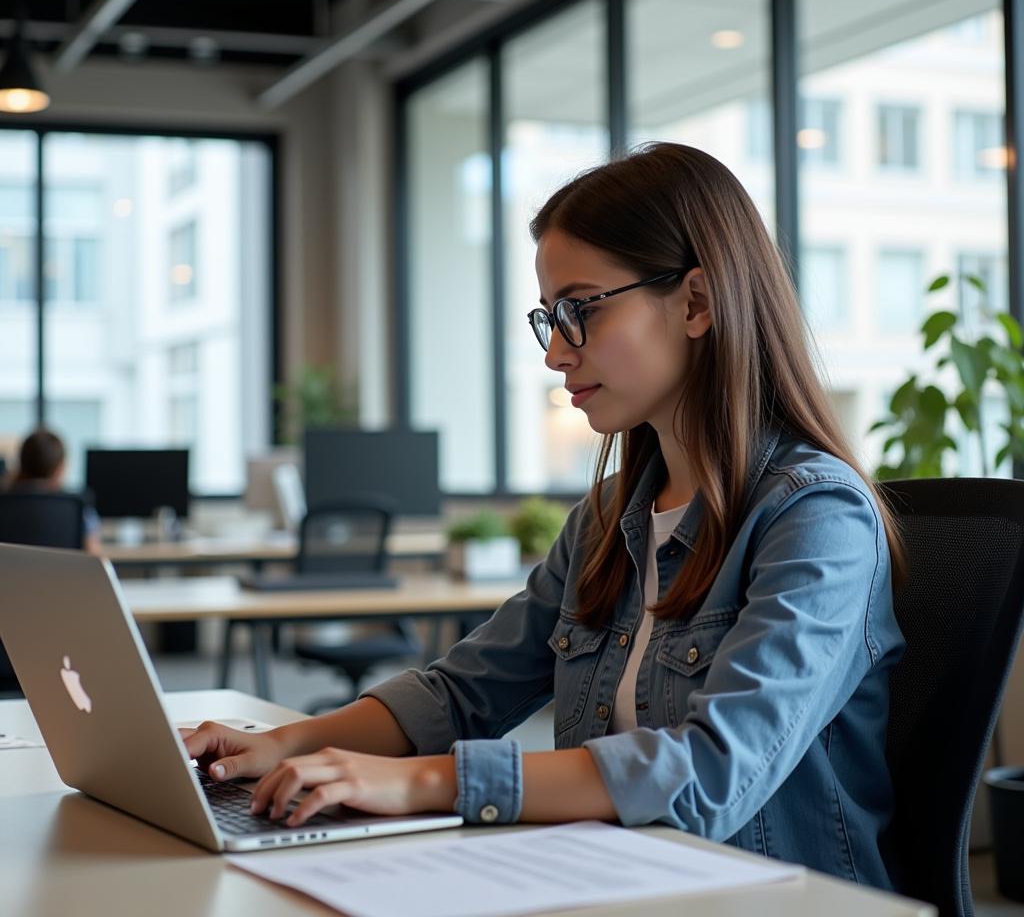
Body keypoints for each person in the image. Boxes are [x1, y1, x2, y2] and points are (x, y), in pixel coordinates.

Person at [183, 143, 906, 889]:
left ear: (696, 303)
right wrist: (278, 745)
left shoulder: (819, 519)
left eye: (579, 311)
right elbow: (463, 693)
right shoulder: (607, 520)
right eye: (548, 319)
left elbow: (707, 774)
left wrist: (422, 783)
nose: (556, 354)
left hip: (765, 900)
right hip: (616, 880)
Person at [8, 427, 102, 554]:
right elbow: (94, 556)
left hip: (10, 574)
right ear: (60, 468)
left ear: (22, 463)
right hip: (64, 573)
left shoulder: (5, 503)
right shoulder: (78, 507)